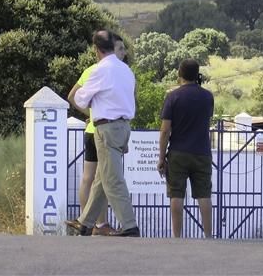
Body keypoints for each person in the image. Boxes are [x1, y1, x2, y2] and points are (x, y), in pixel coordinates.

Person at [65, 30, 140, 237]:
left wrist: (92, 102)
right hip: (124, 127)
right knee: (101, 178)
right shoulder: (126, 70)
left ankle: (129, 225)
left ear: (96, 49)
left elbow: (78, 99)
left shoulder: (100, 70)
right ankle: (85, 223)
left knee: (112, 179)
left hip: (106, 128)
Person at [157, 58, 214, 238]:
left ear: (179, 74)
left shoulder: (173, 97)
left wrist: (161, 157)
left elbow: (165, 130)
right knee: (204, 195)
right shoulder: (208, 97)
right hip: (202, 152)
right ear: (197, 74)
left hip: (178, 153)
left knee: (176, 195)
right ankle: (208, 236)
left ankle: (177, 236)